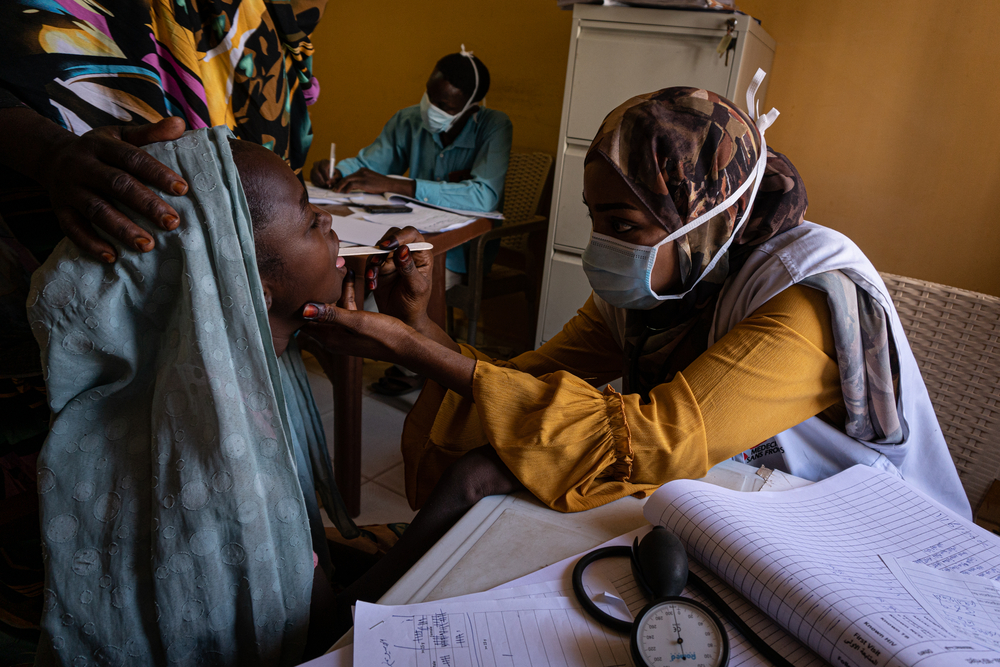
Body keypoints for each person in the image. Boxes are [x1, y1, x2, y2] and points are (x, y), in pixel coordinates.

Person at [299, 84, 971, 608]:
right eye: (597, 222)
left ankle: (360, 603)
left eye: (623, 224)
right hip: (747, 487)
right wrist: (418, 323)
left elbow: (651, 440)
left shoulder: (805, 297)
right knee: (501, 461)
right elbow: (521, 382)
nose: (604, 249)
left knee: (495, 475)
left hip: (867, 538)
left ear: (706, 220)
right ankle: (374, 596)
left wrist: (417, 352)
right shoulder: (659, 291)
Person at [27, 127, 356, 665]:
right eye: (309, 216)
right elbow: (314, 634)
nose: (329, 223)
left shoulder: (207, 400)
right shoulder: (227, 459)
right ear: (253, 284)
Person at [310, 46, 513, 308]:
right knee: (338, 284)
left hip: (457, 254)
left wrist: (396, 185)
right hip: (401, 241)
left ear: (470, 108)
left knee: (379, 306)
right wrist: (337, 172)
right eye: (429, 95)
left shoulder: (494, 127)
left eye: (444, 106)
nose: (430, 108)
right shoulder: (408, 119)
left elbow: (484, 196)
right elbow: (368, 164)